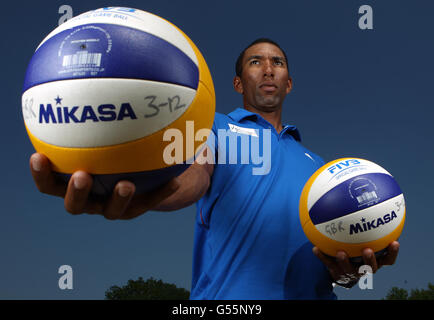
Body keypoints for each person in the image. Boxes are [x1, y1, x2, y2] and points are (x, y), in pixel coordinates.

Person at [29, 38, 400, 299]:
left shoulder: (322, 170)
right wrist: (149, 191)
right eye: (256, 62)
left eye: (278, 63)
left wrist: (351, 272)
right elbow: (195, 174)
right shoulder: (215, 126)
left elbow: (337, 267)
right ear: (239, 83)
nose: (268, 69)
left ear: (289, 83)